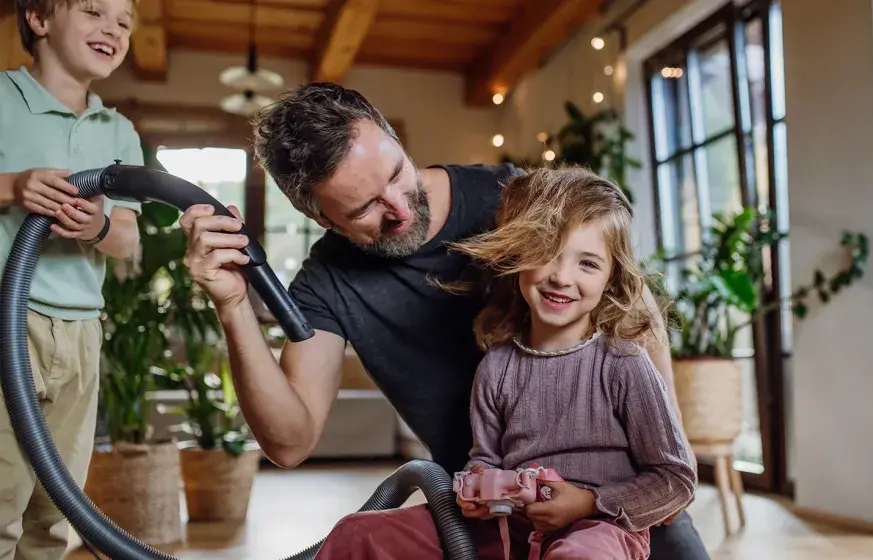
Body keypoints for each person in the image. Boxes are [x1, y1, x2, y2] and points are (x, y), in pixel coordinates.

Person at [180, 82, 712, 560]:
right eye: (365, 207)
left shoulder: (513, 198)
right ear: (320, 218)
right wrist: (232, 306)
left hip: (616, 505)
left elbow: (631, 302)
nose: (400, 209)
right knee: (354, 538)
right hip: (491, 519)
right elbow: (289, 443)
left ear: (393, 137)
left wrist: (660, 460)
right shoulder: (328, 285)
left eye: (395, 173)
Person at [313, 165, 697, 560]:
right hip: (505, 528)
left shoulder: (623, 365)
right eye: (546, 253)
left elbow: (676, 480)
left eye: (588, 263)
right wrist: (476, 489)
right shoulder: (497, 366)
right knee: (357, 533)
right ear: (518, 258)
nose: (562, 277)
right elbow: (485, 459)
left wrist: (586, 502)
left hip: (600, 529)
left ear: (611, 279)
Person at [0, 0, 143, 558]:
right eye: (92, 11)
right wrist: (13, 187)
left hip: (82, 332)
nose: (113, 28)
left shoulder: (119, 131)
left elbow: (127, 237)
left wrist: (98, 224)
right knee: (2, 500)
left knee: (57, 510)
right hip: (10, 322)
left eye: (124, 21)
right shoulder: (3, 99)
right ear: (38, 20)